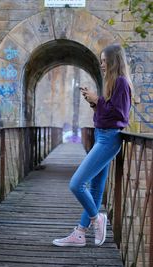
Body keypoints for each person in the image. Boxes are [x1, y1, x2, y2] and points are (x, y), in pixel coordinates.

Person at [53, 43, 133, 247]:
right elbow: (107, 113)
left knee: (76, 184)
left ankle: (97, 218)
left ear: (114, 61)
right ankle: (80, 234)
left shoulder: (122, 83)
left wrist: (98, 99)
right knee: (96, 189)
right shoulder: (113, 83)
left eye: (105, 61)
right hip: (101, 136)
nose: (102, 64)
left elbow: (120, 116)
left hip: (108, 139)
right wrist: (94, 101)